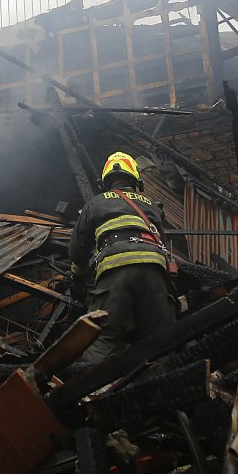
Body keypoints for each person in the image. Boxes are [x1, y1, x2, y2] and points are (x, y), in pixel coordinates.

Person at [69, 151, 175, 363]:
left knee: (103, 340)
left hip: (115, 270)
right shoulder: (151, 206)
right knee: (161, 341)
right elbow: (162, 243)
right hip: (154, 271)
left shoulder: (95, 204)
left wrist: (78, 278)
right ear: (136, 180)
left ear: (105, 182)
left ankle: (91, 381)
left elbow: (77, 250)